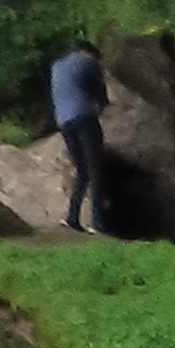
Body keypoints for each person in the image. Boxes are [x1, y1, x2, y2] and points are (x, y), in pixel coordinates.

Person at [48, 41, 110, 235]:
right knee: (95, 170)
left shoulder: (57, 66)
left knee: (82, 170)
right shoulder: (88, 62)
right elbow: (100, 95)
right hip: (84, 118)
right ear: (91, 54)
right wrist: (101, 106)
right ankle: (97, 222)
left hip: (64, 122)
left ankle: (72, 217)